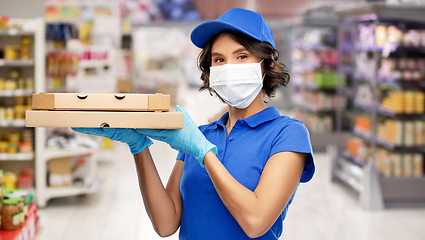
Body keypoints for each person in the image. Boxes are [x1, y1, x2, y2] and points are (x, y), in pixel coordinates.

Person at [73, 8, 315, 240]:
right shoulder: (201, 134)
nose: (228, 67)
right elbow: (166, 223)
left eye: (241, 56)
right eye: (218, 59)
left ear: (265, 63)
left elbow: (255, 221)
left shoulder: (287, 134)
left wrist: (204, 152)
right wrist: (139, 147)